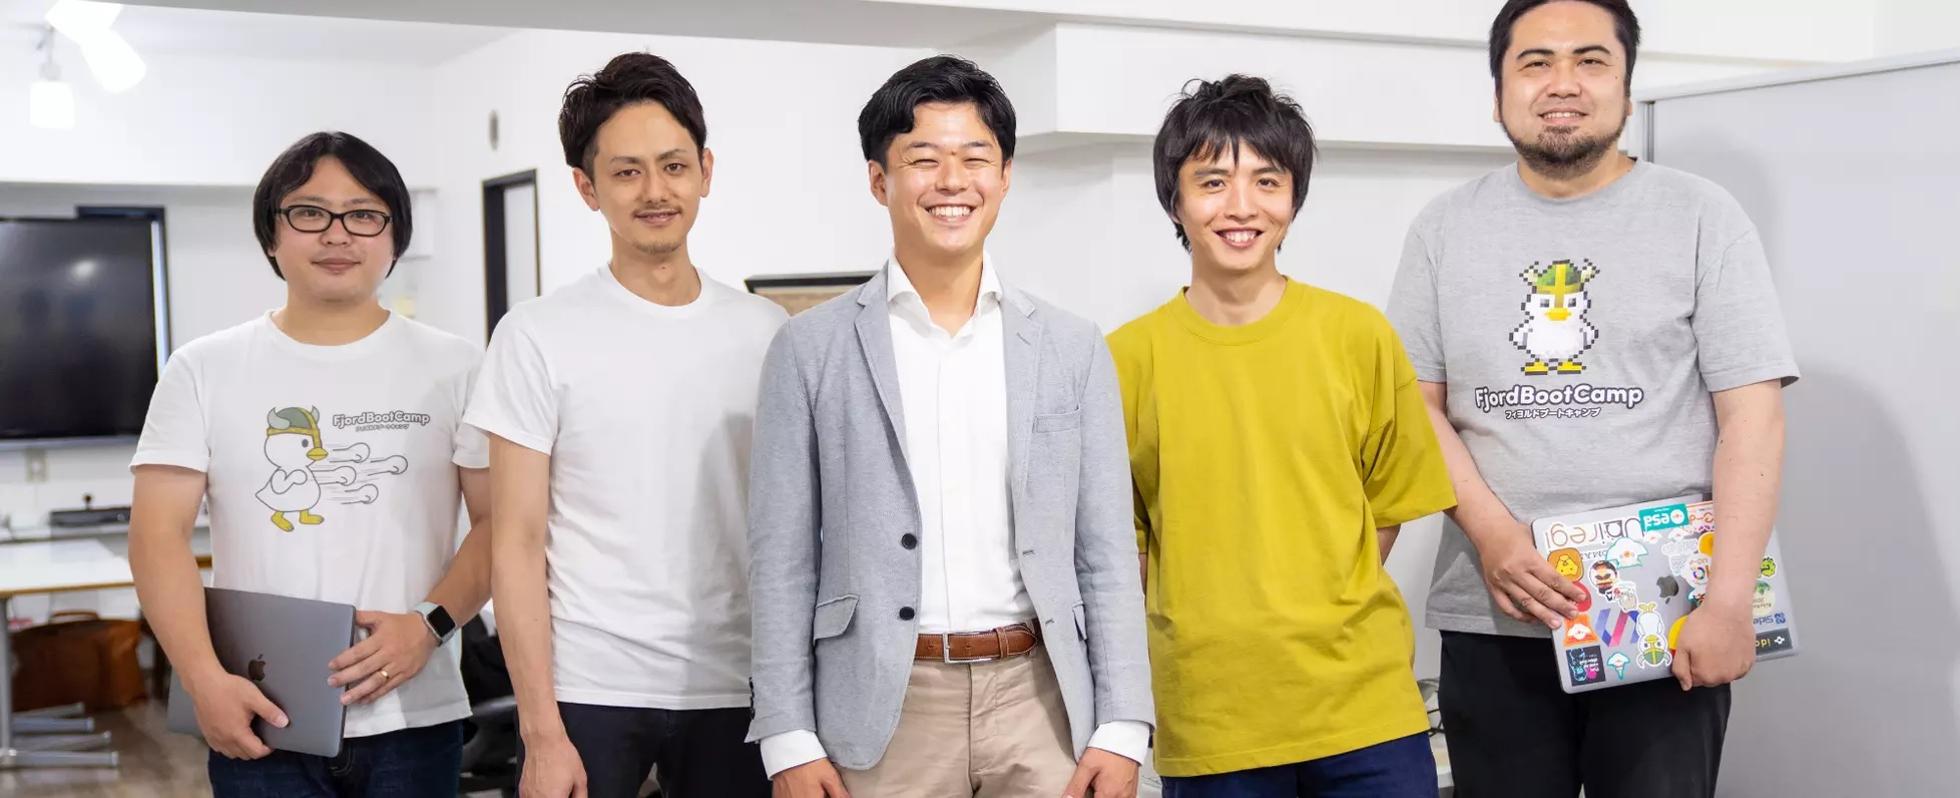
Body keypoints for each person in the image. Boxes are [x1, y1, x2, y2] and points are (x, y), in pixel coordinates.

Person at [1384, 2, 1799, 795]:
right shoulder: (1442, 228)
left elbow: (1753, 419)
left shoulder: (1703, 215)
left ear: (1627, 87)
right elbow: (1414, 407)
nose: (1562, 83)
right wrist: (1495, 537)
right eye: (1535, 62)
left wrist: (1729, 602)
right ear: (1498, 91)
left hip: (1665, 613)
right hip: (1494, 610)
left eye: (1591, 60)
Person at [746, 55, 1153, 798]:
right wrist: (786, 735)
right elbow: (781, 560)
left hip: (1044, 703)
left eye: (975, 158)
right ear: (880, 180)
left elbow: (1105, 554)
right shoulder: (809, 348)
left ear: (1005, 176)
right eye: (924, 159)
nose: (952, 181)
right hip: (880, 708)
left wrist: (1123, 723)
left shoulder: (1071, 346)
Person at [1109, 74, 1455, 797]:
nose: (1241, 206)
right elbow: (1124, 546)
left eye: (1266, 181)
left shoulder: (1359, 335)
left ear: (1293, 199)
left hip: (1366, 710)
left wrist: (1318, 597)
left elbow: (1388, 506)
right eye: (1212, 182)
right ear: (1175, 201)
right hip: (1211, 718)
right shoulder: (1122, 360)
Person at [129, 131, 492, 796]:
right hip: (261, 710)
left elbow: (503, 525)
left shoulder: (459, 366)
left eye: (364, 214)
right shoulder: (203, 368)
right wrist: (205, 681)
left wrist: (430, 624)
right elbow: (157, 538)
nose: (337, 234)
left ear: (395, 236)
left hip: (415, 715)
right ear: (271, 235)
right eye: (309, 212)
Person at [465, 52, 788, 798]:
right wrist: (540, 731)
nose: (655, 191)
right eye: (626, 172)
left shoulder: (768, 332)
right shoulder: (536, 335)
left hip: (739, 685)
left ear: (706, 171)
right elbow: (515, 543)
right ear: (587, 187)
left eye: (674, 166)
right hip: (588, 685)